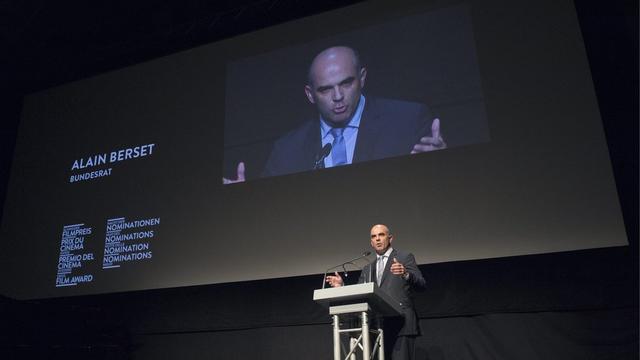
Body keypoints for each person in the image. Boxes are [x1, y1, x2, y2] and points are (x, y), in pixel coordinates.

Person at [223, 46, 446, 184]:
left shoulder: (407, 120)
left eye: (346, 83)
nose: (338, 96)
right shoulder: (286, 150)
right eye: (325, 89)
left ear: (362, 78)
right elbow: (272, 212)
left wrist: (443, 164)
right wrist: (246, 197)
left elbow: (438, 191)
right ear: (310, 95)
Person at [325, 224, 426, 360]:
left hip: (401, 325)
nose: (377, 239)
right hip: (377, 328)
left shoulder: (404, 257)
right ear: (371, 243)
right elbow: (359, 293)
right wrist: (342, 286)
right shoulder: (368, 268)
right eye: (374, 236)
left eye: (381, 235)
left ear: (390, 238)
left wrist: (406, 273)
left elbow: (422, 284)